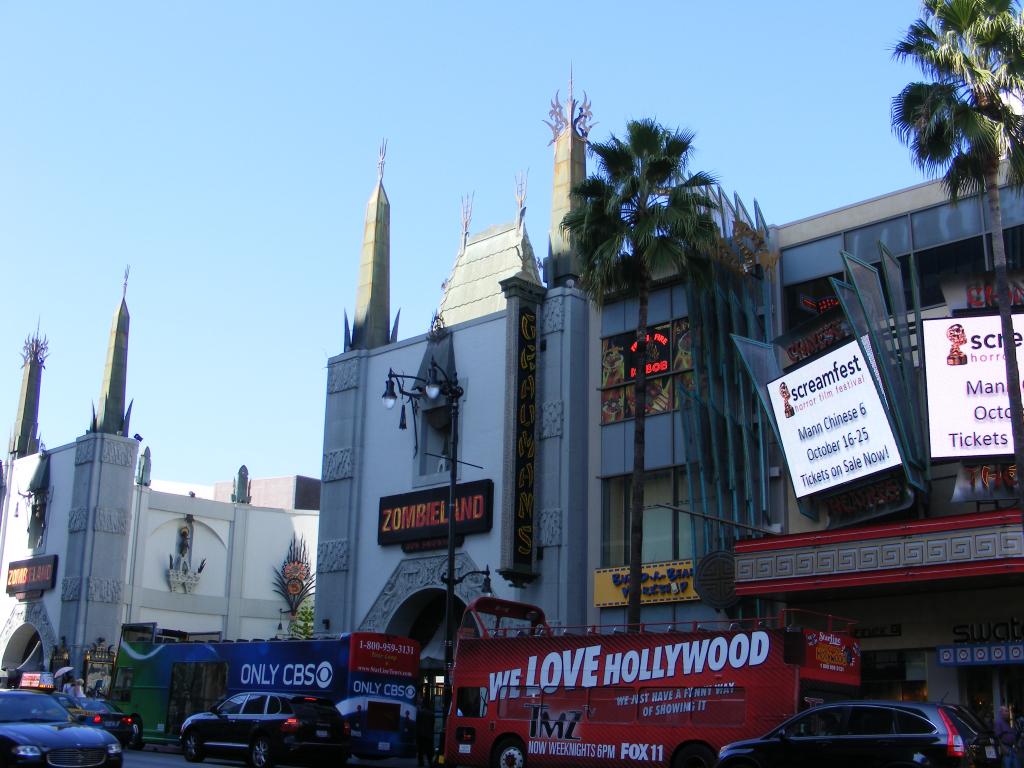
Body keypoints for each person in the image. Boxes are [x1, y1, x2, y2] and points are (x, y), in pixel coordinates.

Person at [416, 695, 435, 767]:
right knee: (429, 749)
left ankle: (421, 763)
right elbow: (433, 724)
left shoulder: (420, 713)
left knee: (420, 750)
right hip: (428, 734)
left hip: (420, 734)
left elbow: (418, 723)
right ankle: (430, 762)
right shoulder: (431, 714)